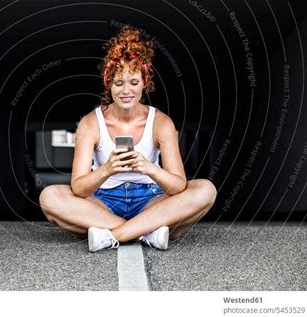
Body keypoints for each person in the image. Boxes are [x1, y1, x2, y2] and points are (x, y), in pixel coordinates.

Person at [39, 26, 217, 252]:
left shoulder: (161, 123)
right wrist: (107, 169)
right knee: (50, 197)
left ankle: (112, 236)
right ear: (108, 83)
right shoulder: (90, 124)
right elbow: (78, 188)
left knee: (205, 190)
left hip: (150, 201)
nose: (126, 91)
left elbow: (178, 185)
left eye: (133, 82)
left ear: (145, 83)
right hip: (102, 202)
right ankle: (147, 232)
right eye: (118, 83)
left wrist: (149, 168)